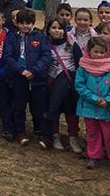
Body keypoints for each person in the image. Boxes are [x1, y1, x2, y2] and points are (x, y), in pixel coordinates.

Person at [75, 37, 110, 171]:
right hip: (90, 107)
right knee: (92, 133)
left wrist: (108, 100)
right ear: (88, 51)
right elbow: (80, 86)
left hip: (106, 108)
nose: (99, 55)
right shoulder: (83, 68)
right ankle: (94, 155)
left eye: (102, 52)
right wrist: (94, 98)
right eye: (96, 52)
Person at [5, 9, 51, 146]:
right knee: (19, 107)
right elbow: (8, 57)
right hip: (19, 78)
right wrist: (20, 70)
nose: (25, 26)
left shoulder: (40, 37)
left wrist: (35, 71)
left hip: (37, 78)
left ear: (33, 23)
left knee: (40, 107)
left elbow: (46, 56)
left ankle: (45, 134)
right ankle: (20, 132)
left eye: (28, 23)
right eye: (22, 23)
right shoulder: (12, 37)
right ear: (17, 23)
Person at [43, 17, 82, 153]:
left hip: (69, 83)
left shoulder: (72, 45)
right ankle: (55, 136)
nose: (57, 31)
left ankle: (73, 137)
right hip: (51, 82)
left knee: (71, 109)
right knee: (55, 106)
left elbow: (79, 64)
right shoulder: (45, 45)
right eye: (53, 28)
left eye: (60, 28)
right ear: (48, 30)